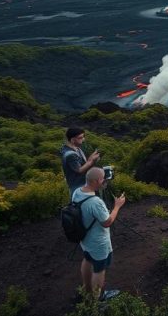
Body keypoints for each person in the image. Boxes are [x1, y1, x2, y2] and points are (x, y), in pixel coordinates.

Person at [74, 166, 125, 302]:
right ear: (97, 181)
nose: (105, 181)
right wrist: (117, 206)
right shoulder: (96, 202)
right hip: (98, 241)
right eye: (103, 179)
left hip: (84, 239)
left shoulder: (77, 192)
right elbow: (107, 222)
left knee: (87, 259)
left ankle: (86, 289)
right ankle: (98, 299)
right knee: (99, 269)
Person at [61, 127, 100, 194]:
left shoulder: (77, 149)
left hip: (84, 186)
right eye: (80, 138)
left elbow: (84, 164)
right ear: (73, 140)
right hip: (78, 188)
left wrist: (91, 159)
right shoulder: (70, 154)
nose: (83, 139)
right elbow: (79, 170)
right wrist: (91, 161)